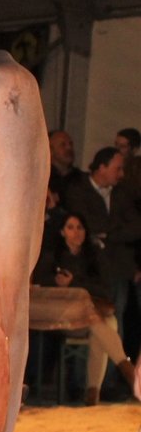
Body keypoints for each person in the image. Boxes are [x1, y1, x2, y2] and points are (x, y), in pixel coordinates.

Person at [32, 212, 136, 404]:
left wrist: (75, 282)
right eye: (70, 227)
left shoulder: (94, 256)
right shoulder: (52, 255)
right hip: (61, 317)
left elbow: (104, 289)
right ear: (62, 232)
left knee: (108, 324)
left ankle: (92, 394)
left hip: (91, 316)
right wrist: (58, 282)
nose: (76, 232)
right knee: (107, 324)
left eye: (80, 227)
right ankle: (124, 369)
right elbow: (38, 283)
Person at [62, 147, 141, 349]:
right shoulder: (79, 190)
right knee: (93, 316)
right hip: (91, 265)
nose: (121, 174)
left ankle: (113, 374)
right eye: (118, 169)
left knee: (117, 315)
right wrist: (111, 229)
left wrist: (109, 235)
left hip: (119, 266)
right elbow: (87, 225)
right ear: (102, 167)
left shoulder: (122, 193)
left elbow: (136, 226)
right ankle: (87, 375)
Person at [48, 129, 81, 197]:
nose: (69, 148)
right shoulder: (44, 178)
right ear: (50, 150)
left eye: (71, 144)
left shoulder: (80, 179)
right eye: (63, 145)